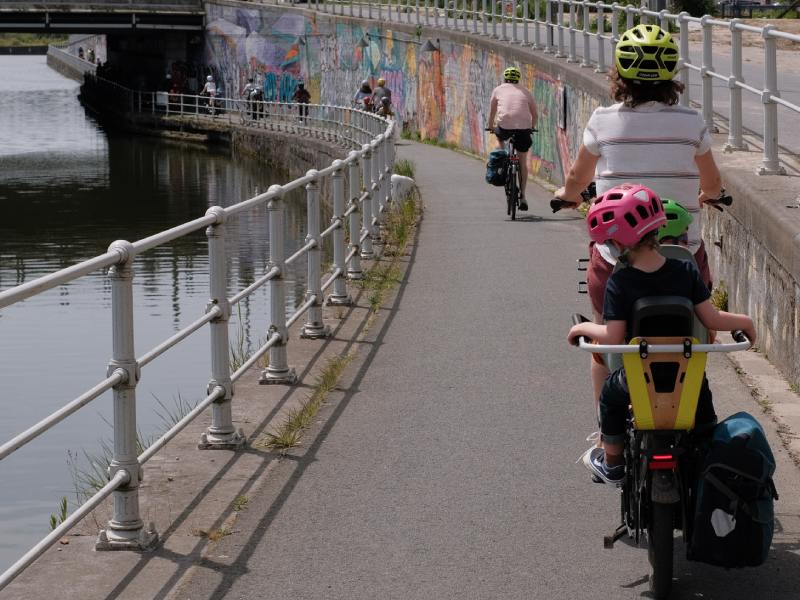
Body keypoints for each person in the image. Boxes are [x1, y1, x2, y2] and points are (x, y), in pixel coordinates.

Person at [553, 24, 723, 426]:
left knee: (605, 348)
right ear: (671, 78)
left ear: (619, 75)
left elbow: (578, 179)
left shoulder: (602, 121)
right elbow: (713, 183)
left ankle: (604, 436)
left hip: (617, 259)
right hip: (683, 257)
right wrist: (709, 196)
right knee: (696, 342)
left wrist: (569, 195)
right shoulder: (691, 122)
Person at [566, 184, 756, 484]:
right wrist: (745, 322)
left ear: (620, 242)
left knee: (611, 398)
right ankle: (707, 458)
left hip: (637, 377)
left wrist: (582, 327)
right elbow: (711, 318)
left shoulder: (621, 281)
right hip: (686, 376)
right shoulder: (686, 271)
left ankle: (613, 462)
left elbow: (613, 337)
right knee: (703, 410)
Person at [486, 66, 538, 211]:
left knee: (499, 135)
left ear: (505, 78)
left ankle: (502, 153)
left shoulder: (498, 90)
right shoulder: (526, 92)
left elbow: (492, 112)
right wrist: (532, 127)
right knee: (522, 161)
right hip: (524, 130)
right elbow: (535, 115)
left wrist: (490, 126)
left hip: (504, 128)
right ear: (518, 79)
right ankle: (523, 196)